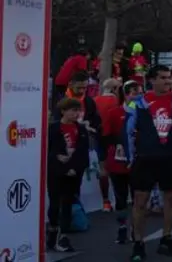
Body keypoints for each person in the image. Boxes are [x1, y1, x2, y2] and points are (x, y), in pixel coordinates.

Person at [123, 65, 172, 261]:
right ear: (151, 80)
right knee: (140, 202)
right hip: (146, 157)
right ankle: (138, 242)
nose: (168, 81)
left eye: (169, 78)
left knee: (171, 200)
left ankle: (166, 239)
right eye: (163, 78)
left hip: (171, 156)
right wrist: (130, 157)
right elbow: (127, 131)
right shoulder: (139, 102)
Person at [47, 97, 92, 253]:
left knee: (68, 204)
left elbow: (83, 153)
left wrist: (74, 167)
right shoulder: (53, 129)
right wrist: (60, 162)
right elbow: (48, 152)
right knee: (54, 204)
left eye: (78, 110)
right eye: (73, 110)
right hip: (56, 173)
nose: (76, 114)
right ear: (63, 111)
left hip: (73, 174)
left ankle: (63, 236)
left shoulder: (81, 130)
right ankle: (52, 235)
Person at [105, 80, 141, 244]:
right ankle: (122, 228)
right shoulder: (114, 112)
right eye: (134, 93)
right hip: (117, 163)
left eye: (140, 92)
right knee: (120, 199)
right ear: (125, 95)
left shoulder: (143, 113)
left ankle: (135, 230)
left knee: (137, 199)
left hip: (136, 164)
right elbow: (105, 135)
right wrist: (120, 143)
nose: (138, 96)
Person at [93, 78, 122, 212]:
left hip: (99, 138)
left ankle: (105, 202)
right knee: (118, 170)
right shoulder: (116, 101)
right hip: (113, 138)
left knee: (103, 170)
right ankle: (120, 199)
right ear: (114, 89)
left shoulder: (94, 100)